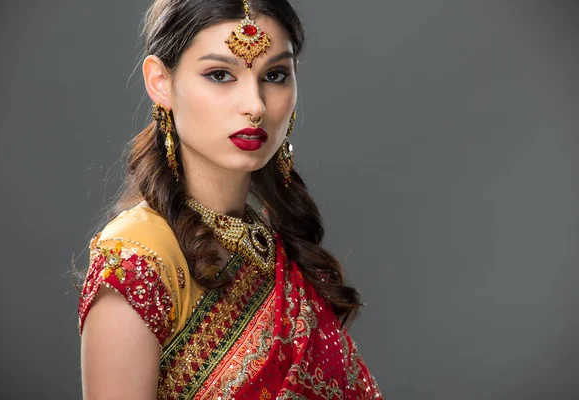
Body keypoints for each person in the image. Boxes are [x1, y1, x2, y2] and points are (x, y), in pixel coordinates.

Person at [77, 0, 383, 398]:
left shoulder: (265, 243)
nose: (255, 106)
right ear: (160, 82)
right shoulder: (136, 261)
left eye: (275, 75)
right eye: (220, 74)